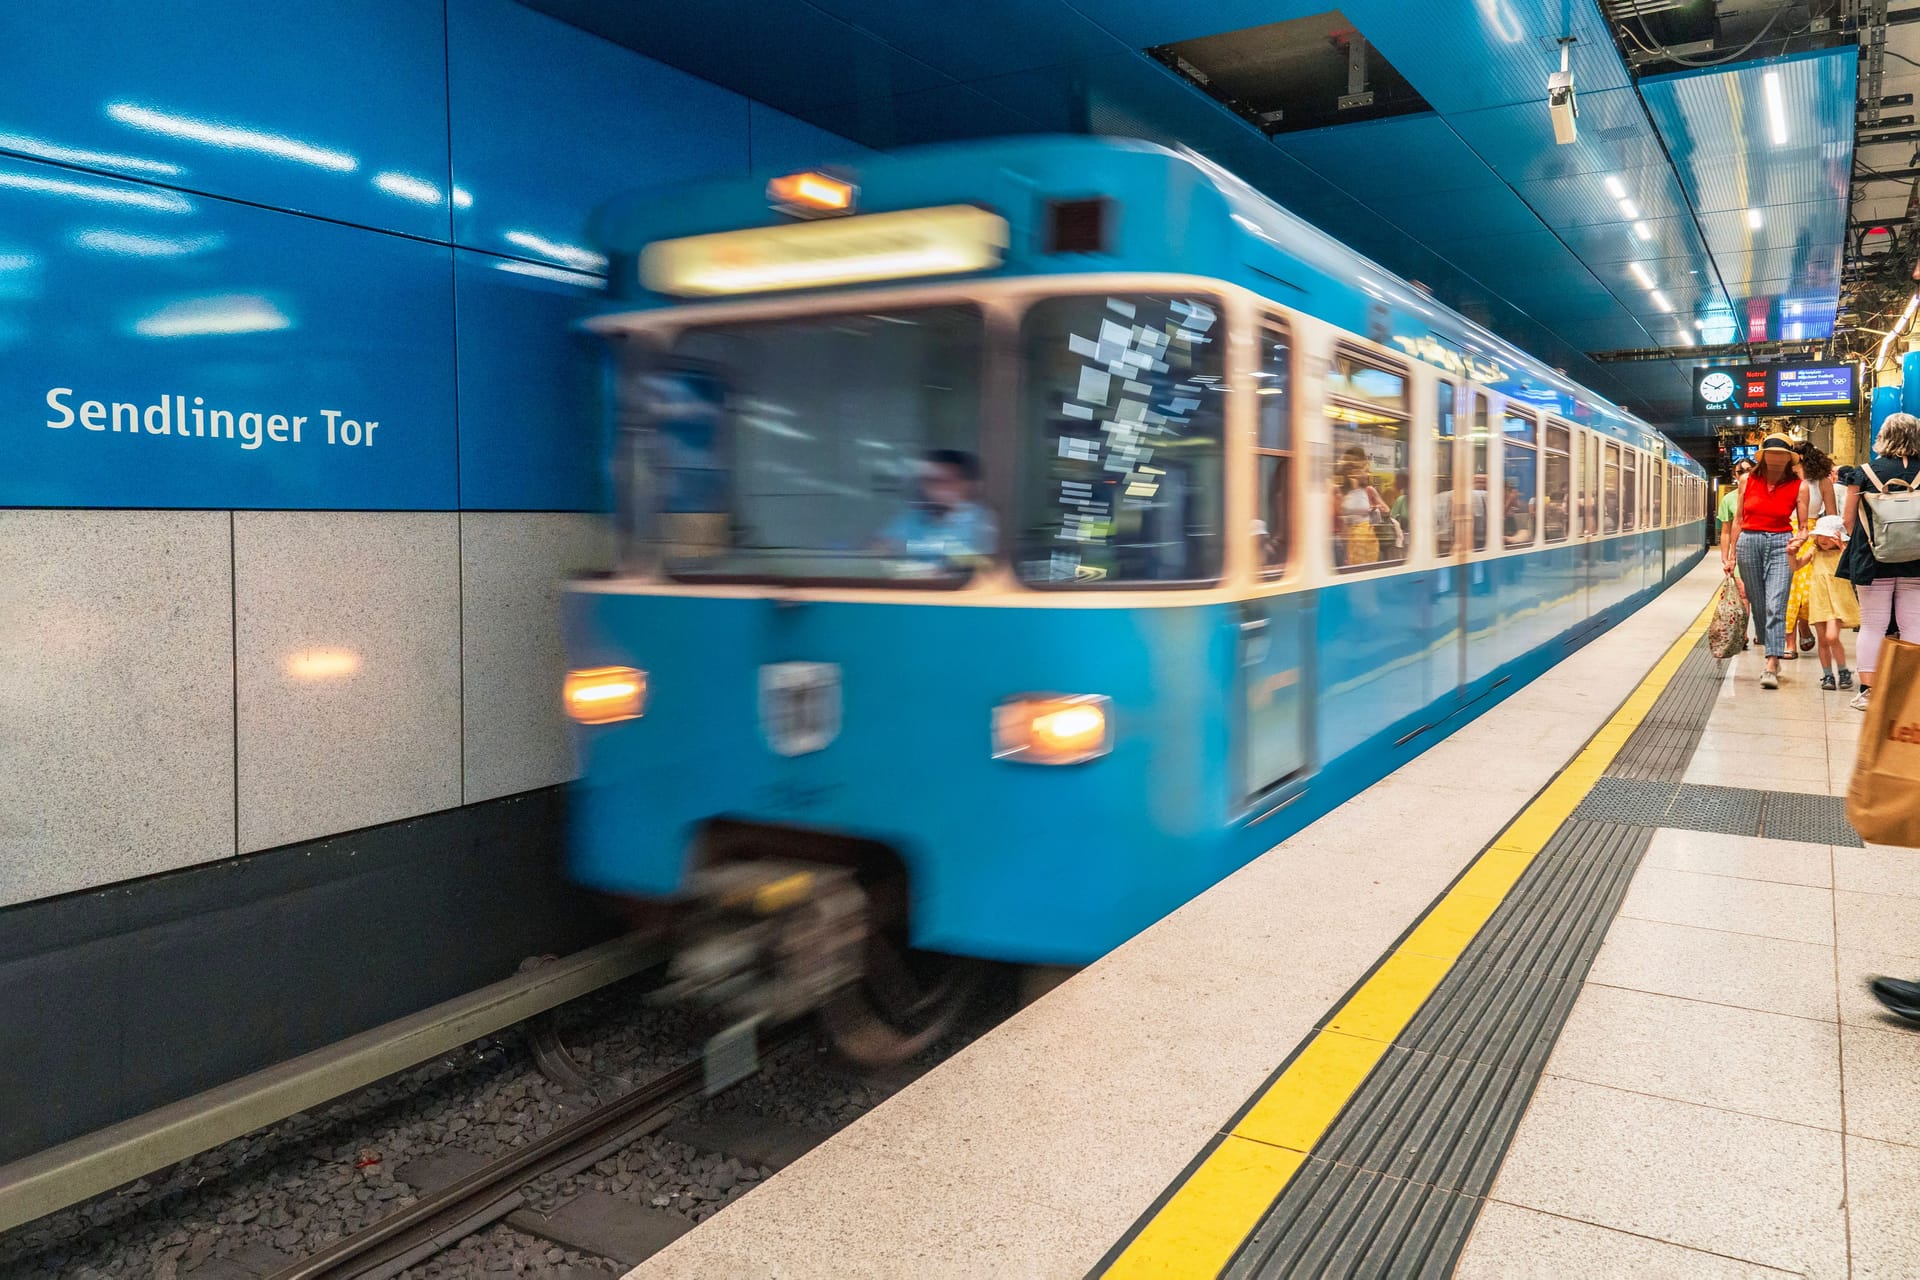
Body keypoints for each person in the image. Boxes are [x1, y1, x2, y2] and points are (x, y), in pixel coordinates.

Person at [1837, 412, 1920, 712]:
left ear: (1883, 436)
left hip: (1872, 560)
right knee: (1914, 624)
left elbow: (1848, 521)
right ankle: (1908, 691)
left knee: (1873, 624)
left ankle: (1869, 692)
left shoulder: (1863, 473)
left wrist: (1867, 541)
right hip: (1917, 562)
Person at [1724, 434, 1810, 689]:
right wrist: (1731, 556)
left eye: (1781, 454)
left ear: (1789, 458)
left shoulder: (1799, 486)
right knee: (1758, 603)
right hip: (1749, 541)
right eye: (1771, 453)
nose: (1776, 458)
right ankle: (1769, 643)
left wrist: (1799, 540)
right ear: (1763, 456)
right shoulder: (1746, 480)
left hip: (1782, 543)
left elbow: (1803, 527)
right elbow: (1738, 519)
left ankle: (1772, 661)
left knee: (1776, 602)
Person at [873, 449, 996, 566]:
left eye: (946, 481)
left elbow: (986, 563)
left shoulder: (981, 519)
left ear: (964, 484)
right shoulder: (914, 516)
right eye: (931, 481)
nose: (937, 488)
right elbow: (878, 547)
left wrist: (913, 547)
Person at [1788, 513, 1858, 691]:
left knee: (1832, 636)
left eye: (1829, 536)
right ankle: (1828, 674)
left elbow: (1853, 569)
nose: (1823, 539)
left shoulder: (1843, 553)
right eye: (1820, 535)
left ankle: (1843, 670)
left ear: (1839, 537)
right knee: (1823, 641)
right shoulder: (1814, 552)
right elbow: (1796, 566)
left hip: (1837, 600)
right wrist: (1791, 554)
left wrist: (1843, 549)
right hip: (1818, 600)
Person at [1785, 441, 1841, 657]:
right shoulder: (1784, 480)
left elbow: (1833, 515)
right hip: (1785, 533)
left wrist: (1830, 541)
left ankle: (1803, 625)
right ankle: (1789, 641)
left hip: (1813, 535)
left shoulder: (1822, 482)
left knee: (1808, 592)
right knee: (1788, 591)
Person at [1334, 446, 1388, 568]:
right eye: (1364, 470)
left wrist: (1376, 507)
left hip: (1367, 539)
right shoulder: (1340, 490)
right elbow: (1341, 519)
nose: (1366, 474)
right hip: (1350, 539)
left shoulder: (1369, 490)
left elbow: (1386, 510)